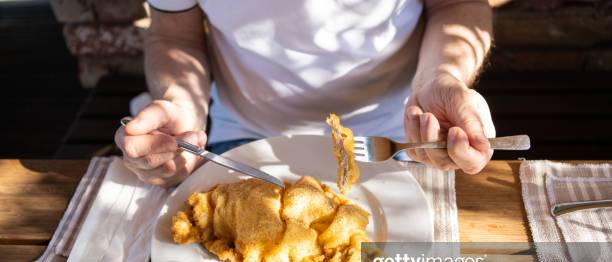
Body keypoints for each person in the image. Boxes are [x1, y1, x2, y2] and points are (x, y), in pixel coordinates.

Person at [115, 0, 495, 187]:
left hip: (400, 138)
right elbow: (173, 32)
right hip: (243, 140)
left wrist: (441, 78)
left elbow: (456, 4)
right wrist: (182, 103)